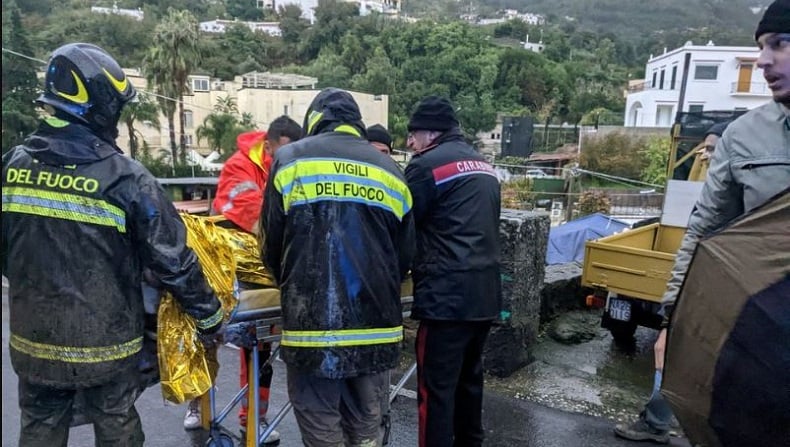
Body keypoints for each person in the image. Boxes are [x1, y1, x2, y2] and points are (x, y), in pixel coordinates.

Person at [1, 43, 223, 447]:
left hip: (33, 342)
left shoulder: (13, 165)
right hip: (106, 346)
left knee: (38, 424)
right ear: (101, 105)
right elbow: (174, 259)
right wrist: (209, 316)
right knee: (117, 421)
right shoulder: (125, 178)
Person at [615, 2, 790, 443]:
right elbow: (706, 233)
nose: (763, 61)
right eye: (760, 47)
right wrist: (674, 318)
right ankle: (657, 420)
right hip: (762, 329)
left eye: (781, 44)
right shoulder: (746, 135)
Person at [261, 88, 415, 446]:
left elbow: (271, 244)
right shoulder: (392, 170)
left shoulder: (289, 159)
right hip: (377, 328)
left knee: (321, 425)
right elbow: (405, 256)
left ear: (314, 122)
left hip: (313, 330)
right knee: (366, 424)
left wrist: (290, 284)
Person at [183, 117, 302, 446]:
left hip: (264, 267)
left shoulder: (285, 168)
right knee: (207, 338)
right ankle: (198, 402)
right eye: (285, 152)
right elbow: (251, 214)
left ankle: (253, 416)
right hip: (227, 266)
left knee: (261, 347)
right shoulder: (241, 166)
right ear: (269, 146)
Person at [404, 96, 502, 447]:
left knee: (436, 392)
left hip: (446, 298)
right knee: (469, 385)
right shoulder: (485, 166)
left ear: (430, 134)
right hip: (485, 295)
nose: (409, 143)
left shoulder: (425, 166)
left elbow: (403, 227)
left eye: (412, 135)